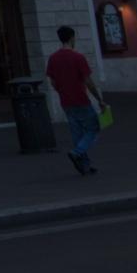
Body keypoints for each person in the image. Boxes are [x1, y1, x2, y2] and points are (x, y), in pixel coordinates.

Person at [46, 25, 106, 175]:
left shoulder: (53, 58)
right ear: (72, 38)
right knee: (93, 128)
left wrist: (62, 90)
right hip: (81, 99)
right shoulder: (78, 57)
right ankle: (77, 152)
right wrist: (99, 99)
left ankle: (84, 164)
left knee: (77, 133)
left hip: (66, 101)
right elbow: (88, 81)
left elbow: (53, 82)